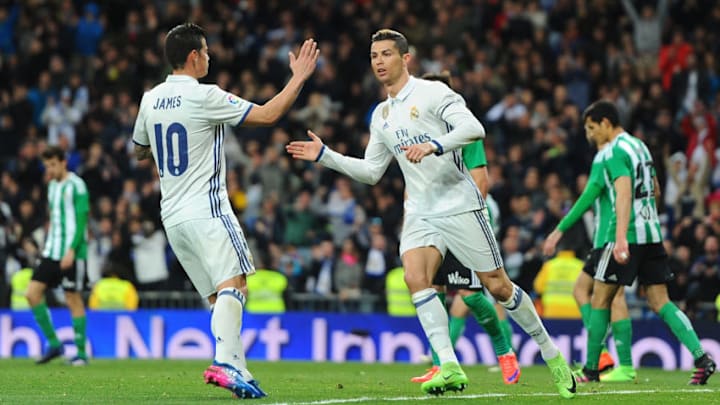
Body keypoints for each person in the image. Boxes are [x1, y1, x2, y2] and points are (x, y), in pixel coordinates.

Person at [286, 29, 575, 398]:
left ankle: (551, 354)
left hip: (458, 203)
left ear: (405, 59)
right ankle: (449, 365)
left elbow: (474, 128)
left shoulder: (434, 93)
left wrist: (435, 144)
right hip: (420, 210)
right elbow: (372, 173)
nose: (379, 61)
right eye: (374, 55)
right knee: (414, 277)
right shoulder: (382, 115)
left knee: (497, 286)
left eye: (386, 54)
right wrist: (326, 156)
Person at [132, 22, 318, 399]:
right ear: (193, 57)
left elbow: (139, 148)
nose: (210, 57)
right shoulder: (205, 96)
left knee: (219, 298)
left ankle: (240, 371)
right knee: (235, 285)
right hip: (207, 207)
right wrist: (297, 78)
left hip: (173, 215)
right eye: (206, 51)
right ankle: (226, 362)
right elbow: (267, 115)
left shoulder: (150, 99)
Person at [575, 100, 715, 385]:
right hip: (652, 233)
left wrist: (621, 237)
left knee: (600, 298)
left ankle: (591, 369)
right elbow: (656, 188)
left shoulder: (614, 150)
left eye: (592, 128)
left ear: (605, 123)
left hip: (628, 234)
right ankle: (702, 359)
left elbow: (624, 194)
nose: (591, 135)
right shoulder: (640, 146)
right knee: (660, 301)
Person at [410, 71, 518, 386]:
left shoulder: (463, 130)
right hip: (429, 223)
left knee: (470, 295)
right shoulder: (417, 135)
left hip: (458, 219)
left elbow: (480, 180)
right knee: (433, 292)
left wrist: (466, 217)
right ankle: (442, 365)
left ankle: (504, 350)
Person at [543, 122, 634, 382]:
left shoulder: (609, 158)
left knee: (613, 298)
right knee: (585, 291)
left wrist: (559, 230)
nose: (589, 134)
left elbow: (586, 200)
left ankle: (616, 364)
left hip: (611, 239)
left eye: (592, 128)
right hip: (607, 241)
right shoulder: (627, 154)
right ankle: (606, 358)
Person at [26, 146, 90, 366]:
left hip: (73, 252)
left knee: (72, 298)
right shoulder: (52, 186)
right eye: (47, 166)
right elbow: (55, 220)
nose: (50, 170)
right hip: (51, 251)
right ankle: (55, 344)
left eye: (52, 165)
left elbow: (81, 221)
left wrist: (72, 249)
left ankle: (81, 353)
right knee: (32, 294)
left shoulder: (77, 185)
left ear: (63, 162)